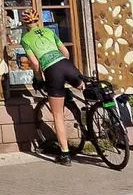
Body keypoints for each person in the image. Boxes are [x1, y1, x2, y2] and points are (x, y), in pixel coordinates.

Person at [18, 11, 86, 165]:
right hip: (67, 65)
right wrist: (66, 70)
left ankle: (65, 155)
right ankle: (90, 121)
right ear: (38, 21)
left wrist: (39, 79)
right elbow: (66, 52)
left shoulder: (25, 39)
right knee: (85, 90)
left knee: (58, 116)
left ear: (25, 24)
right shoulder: (49, 31)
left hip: (52, 71)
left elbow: (35, 63)